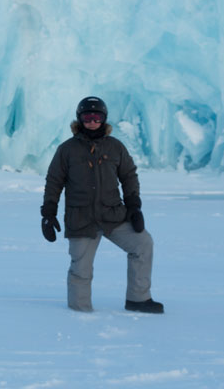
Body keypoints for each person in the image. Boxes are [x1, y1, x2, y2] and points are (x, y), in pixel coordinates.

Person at [40, 96, 164, 314]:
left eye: (97, 116)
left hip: (112, 215)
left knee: (143, 244)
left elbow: (129, 176)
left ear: (104, 119)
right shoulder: (67, 150)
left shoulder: (115, 147)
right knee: (81, 268)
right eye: (87, 116)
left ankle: (138, 299)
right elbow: (54, 182)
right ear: (80, 119)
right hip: (81, 219)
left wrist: (134, 207)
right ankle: (79, 310)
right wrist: (49, 213)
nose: (92, 121)